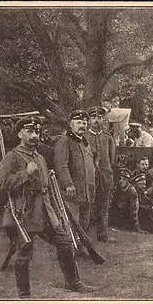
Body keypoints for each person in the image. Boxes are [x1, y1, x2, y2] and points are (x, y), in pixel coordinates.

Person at [0, 116, 94, 298]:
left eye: (37, 132)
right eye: (30, 132)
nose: (35, 136)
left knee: (64, 242)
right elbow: (0, 185)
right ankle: (24, 294)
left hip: (45, 211)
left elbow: (45, 187)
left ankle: (73, 282)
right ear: (20, 134)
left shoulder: (39, 157)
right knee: (24, 252)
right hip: (24, 211)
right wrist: (26, 172)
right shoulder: (12, 157)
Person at [54, 110, 96, 258]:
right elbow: (61, 165)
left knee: (84, 221)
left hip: (86, 190)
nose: (82, 125)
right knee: (71, 221)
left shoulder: (84, 143)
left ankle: (80, 247)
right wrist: (67, 184)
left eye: (84, 123)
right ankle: (69, 249)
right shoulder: (64, 142)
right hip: (72, 190)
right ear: (71, 124)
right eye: (78, 122)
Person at [86, 106, 117, 243]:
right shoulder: (84, 137)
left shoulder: (108, 137)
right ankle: (85, 236)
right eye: (93, 118)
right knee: (87, 206)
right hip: (89, 177)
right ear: (89, 121)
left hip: (105, 176)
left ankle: (103, 234)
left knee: (104, 206)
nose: (96, 121)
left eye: (99, 118)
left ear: (103, 120)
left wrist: (107, 172)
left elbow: (112, 158)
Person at [109, 168, 147, 233]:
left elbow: (134, 210)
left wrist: (138, 228)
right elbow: (109, 204)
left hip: (127, 217)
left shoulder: (132, 191)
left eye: (124, 179)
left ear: (127, 180)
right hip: (115, 217)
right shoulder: (115, 188)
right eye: (120, 179)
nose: (121, 181)